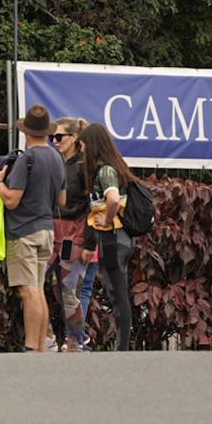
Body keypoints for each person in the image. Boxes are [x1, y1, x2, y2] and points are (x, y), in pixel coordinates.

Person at [0, 105, 66, 352]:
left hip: (23, 230)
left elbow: (12, 199)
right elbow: (62, 200)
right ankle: (42, 346)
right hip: (47, 229)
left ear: (26, 132)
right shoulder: (57, 157)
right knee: (39, 289)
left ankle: (31, 346)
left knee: (28, 291)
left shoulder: (27, 158)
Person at [79, 122, 138, 352]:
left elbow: (112, 199)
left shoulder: (105, 171)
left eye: (83, 145)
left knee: (118, 292)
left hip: (113, 237)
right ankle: (122, 345)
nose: (82, 151)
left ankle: (122, 347)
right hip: (117, 238)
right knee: (117, 291)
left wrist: (108, 218)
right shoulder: (114, 166)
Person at [50, 117, 92, 352]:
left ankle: (76, 339)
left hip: (73, 235)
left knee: (69, 288)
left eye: (59, 137)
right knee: (53, 287)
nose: (55, 141)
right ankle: (72, 336)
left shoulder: (83, 168)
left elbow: (91, 206)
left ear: (74, 139)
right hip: (54, 232)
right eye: (52, 137)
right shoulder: (58, 164)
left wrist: (88, 241)